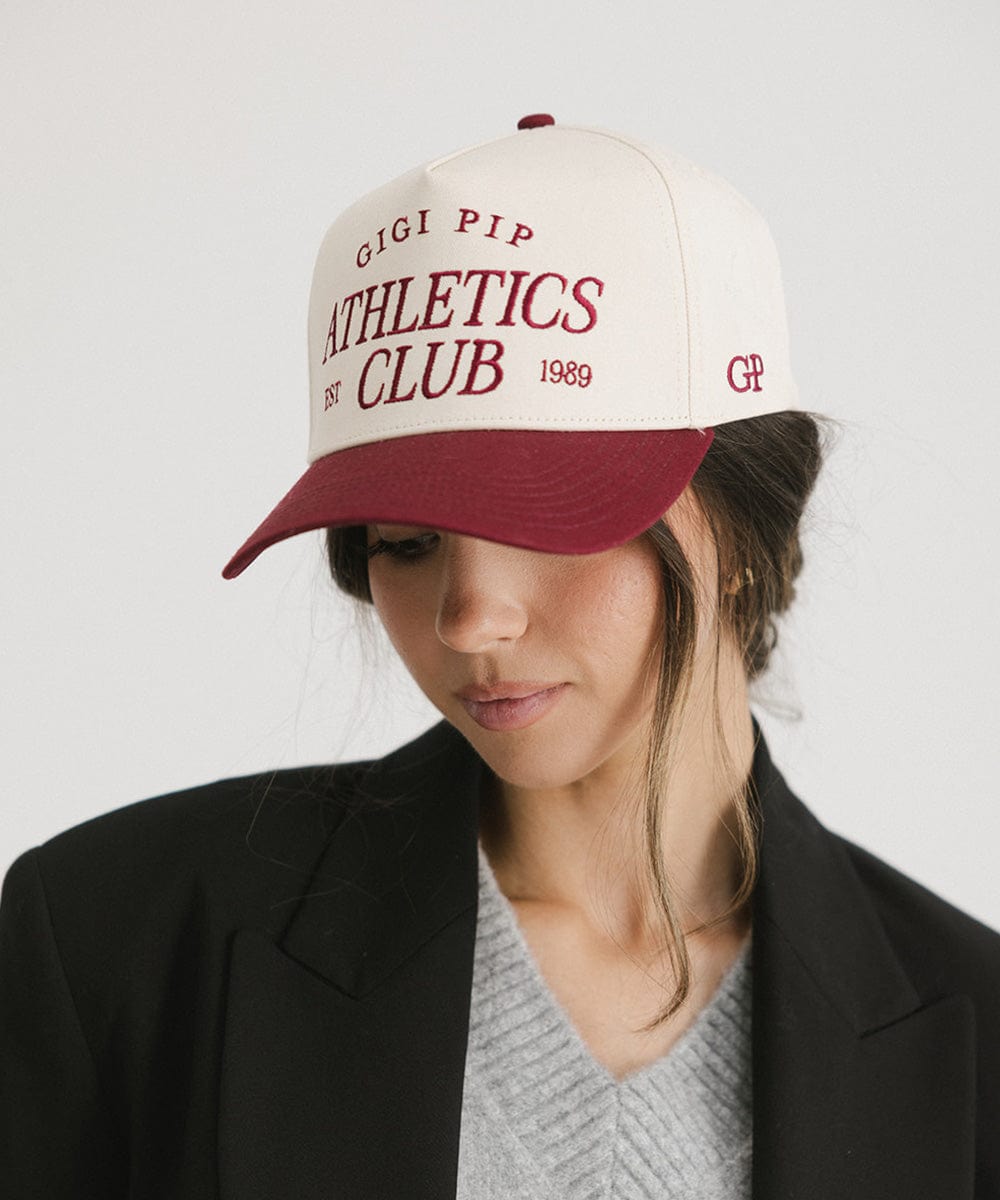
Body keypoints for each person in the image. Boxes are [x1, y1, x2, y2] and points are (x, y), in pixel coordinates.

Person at [1, 114, 998, 1200]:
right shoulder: (115, 942)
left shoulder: (973, 1035)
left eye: (550, 521)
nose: (470, 618)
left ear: (750, 533)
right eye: (405, 542)